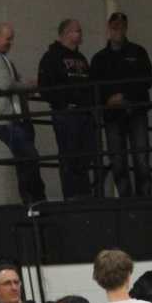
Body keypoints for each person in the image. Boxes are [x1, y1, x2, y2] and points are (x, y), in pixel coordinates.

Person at [90, 11, 152, 197]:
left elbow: (147, 79)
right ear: (109, 28)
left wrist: (123, 96)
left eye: (121, 26)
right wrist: (108, 100)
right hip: (113, 114)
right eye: (114, 26)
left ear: (126, 28)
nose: (118, 30)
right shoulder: (99, 58)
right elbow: (94, 87)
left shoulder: (138, 52)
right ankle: (128, 200)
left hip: (135, 111)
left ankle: (143, 200)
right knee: (118, 161)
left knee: (141, 159)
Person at [0, 22, 46, 203]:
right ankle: (34, 198)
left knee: (25, 158)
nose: (10, 42)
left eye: (12, 39)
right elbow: (6, 84)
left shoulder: (4, 60)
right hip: (7, 119)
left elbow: (12, 83)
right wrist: (27, 86)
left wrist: (26, 86)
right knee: (29, 156)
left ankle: (32, 199)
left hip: (16, 118)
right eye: (8, 38)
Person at [38, 18, 95, 199]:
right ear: (66, 33)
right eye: (77, 30)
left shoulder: (81, 58)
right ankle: (72, 195)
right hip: (66, 113)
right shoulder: (51, 57)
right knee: (69, 155)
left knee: (86, 155)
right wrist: (63, 103)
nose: (80, 34)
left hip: (84, 113)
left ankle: (84, 194)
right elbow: (45, 87)